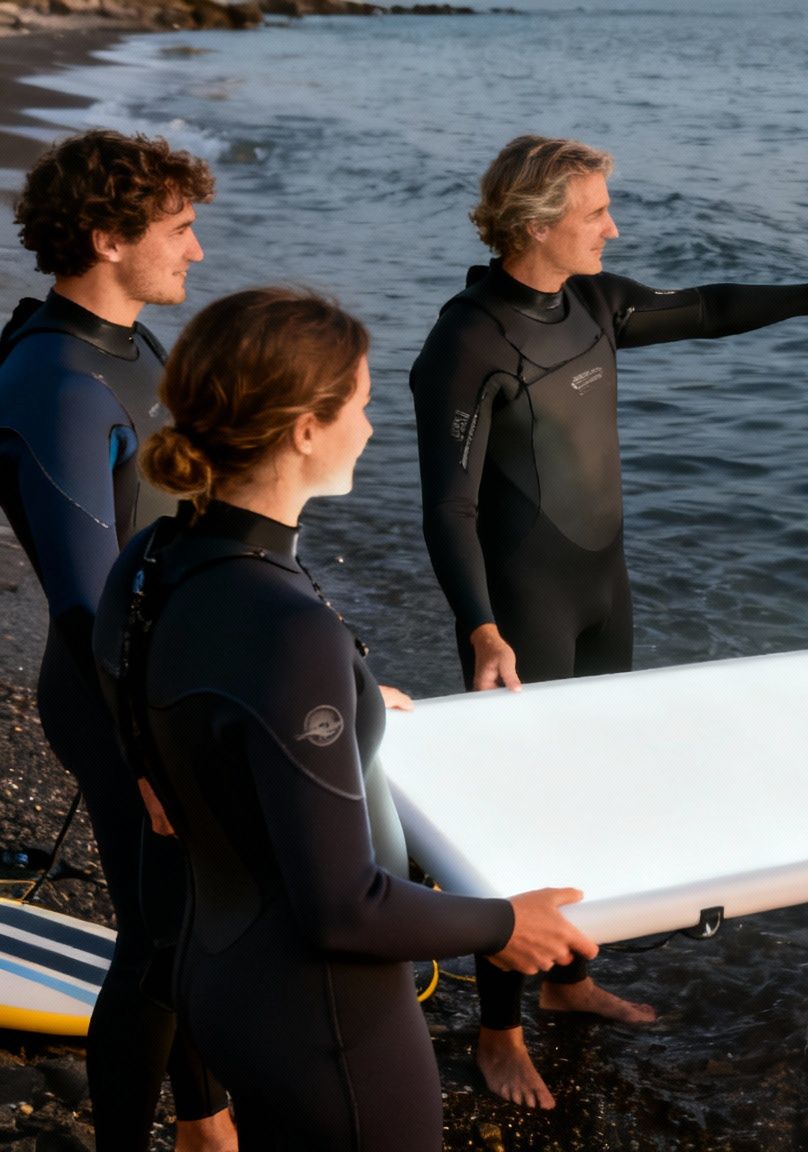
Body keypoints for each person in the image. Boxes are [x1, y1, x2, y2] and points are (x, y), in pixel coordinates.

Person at [409, 134, 808, 1108]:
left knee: (593, 787)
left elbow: (708, 309)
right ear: (540, 221)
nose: (614, 225)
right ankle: (499, 1030)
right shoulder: (466, 341)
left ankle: (568, 981)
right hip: (522, 607)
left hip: (603, 589)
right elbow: (446, 509)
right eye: (596, 211)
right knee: (522, 813)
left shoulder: (593, 303)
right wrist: (479, 627)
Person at [93, 287, 598, 1150]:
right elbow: (344, 908)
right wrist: (507, 925)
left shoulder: (158, 556)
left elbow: (173, 725)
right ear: (303, 429)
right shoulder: (289, 632)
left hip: (215, 973)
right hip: (330, 1023)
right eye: (359, 406)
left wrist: (351, 691)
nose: (370, 427)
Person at [0, 129, 234, 1152]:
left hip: (172, 682)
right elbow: (84, 603)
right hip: (114, 699)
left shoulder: (133, 345)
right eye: (179, 231)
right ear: (106, 237)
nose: (195, 252)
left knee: (182, 926)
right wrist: (144, 749)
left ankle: (207, 1122)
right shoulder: (55, 384)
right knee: (158, 938)